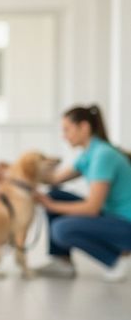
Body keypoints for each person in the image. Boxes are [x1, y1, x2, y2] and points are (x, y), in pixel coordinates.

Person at [35, 105, 131, 282]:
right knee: (55, 194)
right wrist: (16, 173)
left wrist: (50, 205)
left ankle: (115, 260)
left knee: (62, 229)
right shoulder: (89, 152)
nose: (64, 136)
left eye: (67, 130)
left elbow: (92, 208)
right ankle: (62, 261)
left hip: (125, 225)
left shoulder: (103, 155)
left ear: (84, 127)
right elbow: (54, 179)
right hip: (111, 216)